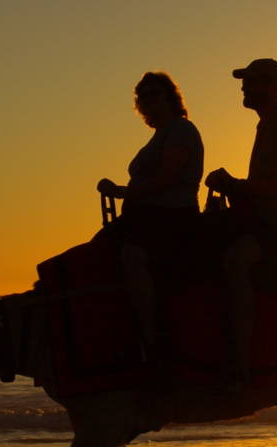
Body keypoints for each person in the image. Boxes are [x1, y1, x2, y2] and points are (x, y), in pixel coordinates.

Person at [204, 58, 277, 386]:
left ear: (274, 88)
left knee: (236, 261)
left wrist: (235, 185)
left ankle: (242, 356)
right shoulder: (269, 125)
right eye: (246, 82)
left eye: (252, 82)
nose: (244, 87)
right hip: (266, 221)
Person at [96, 72, 204, 346]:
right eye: (142, 96)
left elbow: (167, 178)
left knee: (132, 256)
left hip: (172, 218)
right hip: (145, 217)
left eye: (154, 94)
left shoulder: (181, 130)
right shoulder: (160, 135)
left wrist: (122, 192)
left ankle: (151, 336)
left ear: (170, 98)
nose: (147, 101)